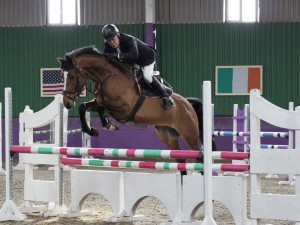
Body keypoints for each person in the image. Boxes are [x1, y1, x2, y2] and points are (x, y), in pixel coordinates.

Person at [101, 24, 174, 110]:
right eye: (109, 41)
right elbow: (104, 57)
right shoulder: (108, 45)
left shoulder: (129, 39)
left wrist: (116, 55)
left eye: (113, 39)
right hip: (134, 62)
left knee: (147, 76)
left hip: (147, 58)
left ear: (118, 35)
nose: (112, 43)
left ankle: (165, 96)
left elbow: (134, 55)